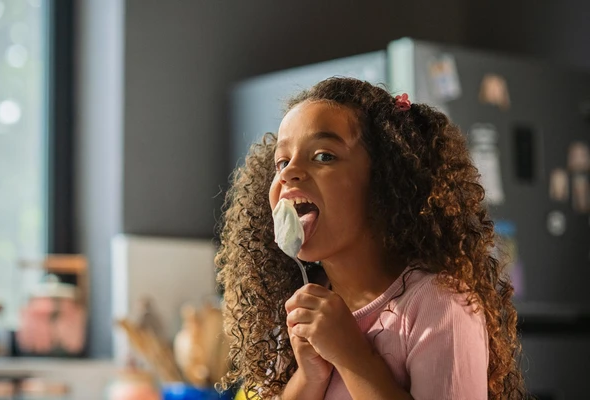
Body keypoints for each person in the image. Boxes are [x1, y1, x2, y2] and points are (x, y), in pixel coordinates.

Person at [215, 77, 527, 399]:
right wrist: (309, 376)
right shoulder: (302, 310)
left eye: (324, 156)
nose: (288, 172)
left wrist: (352, 357)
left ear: (386, 183)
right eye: (282, 161)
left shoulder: (440, 305)